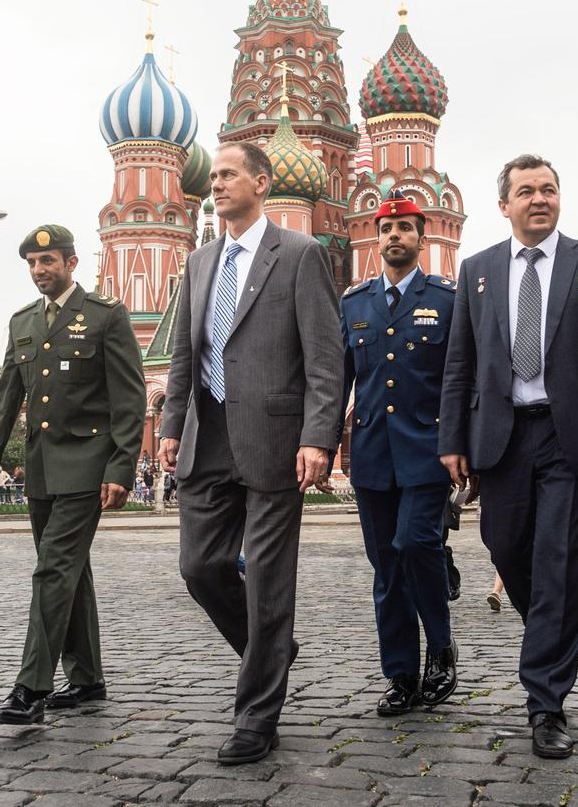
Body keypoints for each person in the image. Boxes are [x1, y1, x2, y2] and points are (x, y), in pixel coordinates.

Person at [439, 154, 578, 759]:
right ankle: (552, 633)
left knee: (557, 560)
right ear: (504, 205)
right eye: (525, 191)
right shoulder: (476, 271)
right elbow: (460, 364)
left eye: (548, 189)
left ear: (560, 198)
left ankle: (545, 700)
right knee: (504, 545)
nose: (538, 199)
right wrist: (452, 440)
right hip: (500, 437)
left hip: (568, 435)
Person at [159, 141, 343, 765]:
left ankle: (256, 716)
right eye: (213, 175)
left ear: (262, 184)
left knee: (267, 582)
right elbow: (185, 352)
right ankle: (271, 648)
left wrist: (319, 437)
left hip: (275, 441)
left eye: (229, 174)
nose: (216, 183)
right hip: (206, 439)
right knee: (199, 567)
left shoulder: (300, 255)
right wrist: (170, 422)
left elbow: (325, 358)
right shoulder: (199, 262)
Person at [0, 224, 145, 725]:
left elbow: (130, 400)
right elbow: (6, 402)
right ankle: (86, 678)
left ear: (71, 263)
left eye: (49, 262)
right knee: (70, 571)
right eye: (32, 263)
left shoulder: (105, 316)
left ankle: (31, 687)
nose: (40, 271)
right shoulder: (23, 322)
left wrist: (122, 466)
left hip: (88, 465)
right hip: (43, 469)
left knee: (51, 570)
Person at [336, 191, 459, 717]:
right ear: (376, 237)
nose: (394, 237)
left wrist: (461, 446)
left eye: (406, 228)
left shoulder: (448, 300)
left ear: (421, 238)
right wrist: (323, 444)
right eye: (386, 229)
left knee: (415, 543)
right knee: (386, 567)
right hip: (370, 453)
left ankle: (441, 644)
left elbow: (460, 381)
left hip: (428, 448)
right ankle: (401, 674)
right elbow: (338, 379)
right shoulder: (354, 302)